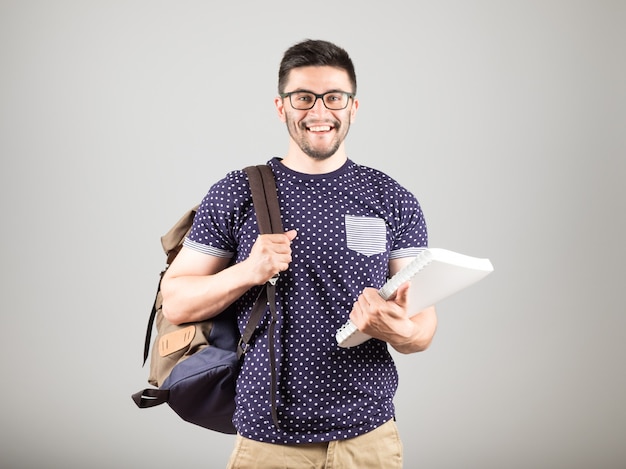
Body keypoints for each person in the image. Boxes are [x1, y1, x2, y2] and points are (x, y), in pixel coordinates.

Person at [161, 39, 438, 468]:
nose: (319, 112)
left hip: (370, 437)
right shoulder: (238, 191)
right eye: (303, 98)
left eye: (334, 98)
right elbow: (175, 299)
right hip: (269, 438)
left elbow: (423, 327)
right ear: (281, 106)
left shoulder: (390, 198)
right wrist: (248, 271)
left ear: (353, 106)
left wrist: (397, 330)